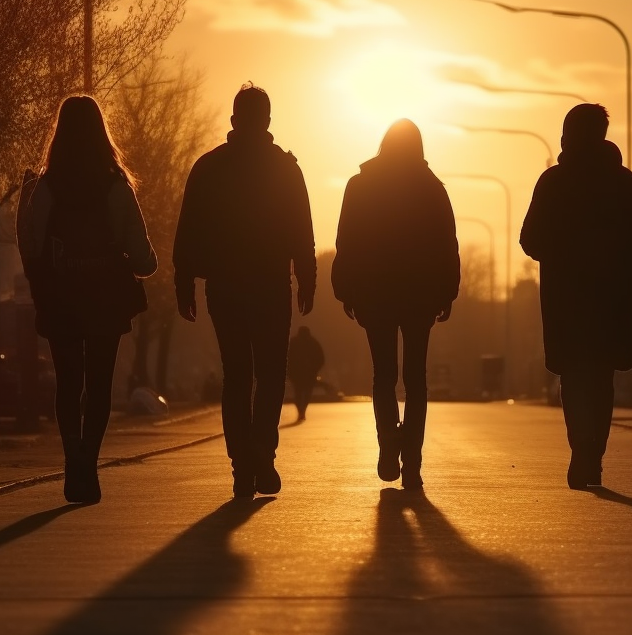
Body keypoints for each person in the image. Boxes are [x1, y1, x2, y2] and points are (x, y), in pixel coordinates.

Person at [174, 82, 316, 499]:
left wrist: (184, 281)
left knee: (237, 375)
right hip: (271, 286)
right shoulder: (285, 168)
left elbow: (187, 231)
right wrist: (306, 276)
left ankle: (243, 465)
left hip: (226, 287)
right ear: (268, 121)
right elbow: (301, 229)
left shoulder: (208, 167)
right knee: (271, 373)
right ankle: (261, 454)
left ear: (234, 120)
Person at [18, 95, 158, 503]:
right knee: (98, 384)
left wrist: (44, 278)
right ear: (101, 132)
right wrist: (140, 263)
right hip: (104, 299)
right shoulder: (116, 185)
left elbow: (30, 244)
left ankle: (70, 459)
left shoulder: (46, 187)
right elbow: (142, 251)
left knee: (67, 382)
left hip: (60, 297)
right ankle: (89, 463)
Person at [520, 104, 632, 490]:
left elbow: (529, 239)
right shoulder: (623, 182)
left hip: (566, 302)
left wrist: (563, 254)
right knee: (601, 377)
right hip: (612, 301)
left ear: (567, 137)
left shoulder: (553, 182)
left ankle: (582, 450)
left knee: (576, 377)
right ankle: (592, 453)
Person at [332, 119, 459, 490]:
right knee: (416, 379)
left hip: (376, 293)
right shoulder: (432, 188)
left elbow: (346, 240)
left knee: (384, 376)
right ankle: (413, 462)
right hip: (420, 294)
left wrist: (346, 290)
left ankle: (389, 445)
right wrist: (448, 291)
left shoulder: (361, 185)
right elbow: (447, 243)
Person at [286, 326, 325, 422]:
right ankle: (302, 411)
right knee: (307, 393)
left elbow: (287, 358)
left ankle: (301, 411)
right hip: (308, 374)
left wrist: (289, 371)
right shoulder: (313, 343)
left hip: (297, 374)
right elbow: (321, 358)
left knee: (298, 393)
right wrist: (315, 368)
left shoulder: (294, 342)